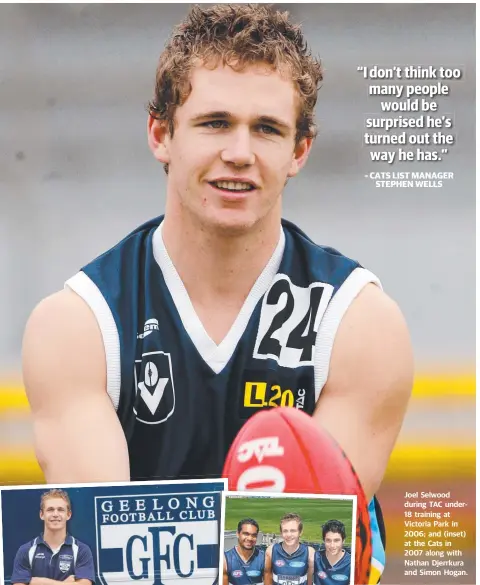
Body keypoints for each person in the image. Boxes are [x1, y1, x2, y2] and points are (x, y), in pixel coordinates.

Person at [22, 4, 413, 582]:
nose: (239, 152)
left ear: (299, 151)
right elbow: (102, 560)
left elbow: (305, 557)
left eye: (268, 128)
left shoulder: (358, 323)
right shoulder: (78, 326)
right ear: (161, 134)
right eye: (214, 123)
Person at [11, 489, 95, 585]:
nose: (55, 514)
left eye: (60, 510)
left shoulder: (82, 550)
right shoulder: (26, 550)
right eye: (50, 510)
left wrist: (38, 582)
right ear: (42, 514)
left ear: (68, 515)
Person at [264, 513, 314, 585]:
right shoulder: (271, 550)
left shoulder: (310, 553)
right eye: (285, 531)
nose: (289, 535)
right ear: (281, 532)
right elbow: (267, 575)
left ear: (300, 532)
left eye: (293, 531)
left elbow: (310, 580)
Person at [224, 518, 265, 585]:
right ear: (237, 534)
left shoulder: (264, 559)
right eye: (246, 534)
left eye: (254, 535)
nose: (250, 538)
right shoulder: (225, 560)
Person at [314, 520, 351, 585]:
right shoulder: (316, 557)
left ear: (343, 541)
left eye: (336, 540)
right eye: (328, 540)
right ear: (324, 541)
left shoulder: (351, 563)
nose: (332, 545)